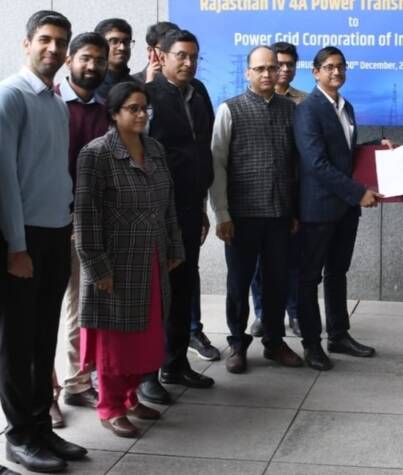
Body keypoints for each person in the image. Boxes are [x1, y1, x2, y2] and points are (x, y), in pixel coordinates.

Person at [0, 10, 88, 473]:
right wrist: (16, 247)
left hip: (56, 233)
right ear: (27, 43)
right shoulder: (10, 97)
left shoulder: (55, 103)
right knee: (16, 344)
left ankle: (40, 428)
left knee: (42, 338)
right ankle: (18, 437)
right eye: (45, 40)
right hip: (23, 238)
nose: (53, 49)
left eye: (60, 42)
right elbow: (4, 181)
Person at [75, 81, 184, 437]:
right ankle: (110, 406)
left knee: (145, 335)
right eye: (132, 109)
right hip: (115, 262)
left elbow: (168, 203)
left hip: (151, 256)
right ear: (114, 113)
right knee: (116, 341)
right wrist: (97, 266)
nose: (140, 115)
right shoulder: (96, 153)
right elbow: (86, 216)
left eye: (144, 108)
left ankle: (131, 396)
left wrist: (174, 246)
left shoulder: (154, 148)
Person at [210, 46, 302, 373]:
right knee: (239, 284)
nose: (267, 74)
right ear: (247, 72)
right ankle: (237, 343)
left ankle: (274, 342)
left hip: (279, 215)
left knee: (277, 282)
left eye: (272, 68)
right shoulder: (230, 109)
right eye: (260, 68)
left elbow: (295, 165)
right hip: (241, 216)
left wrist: (294, 211)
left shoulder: (291, 110)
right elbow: (217, 164)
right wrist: (222, 214)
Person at [294, 46, 383, 371]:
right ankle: (312, 344)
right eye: (330, 67)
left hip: (344, 209)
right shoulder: (308, 109)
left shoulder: (346, 107)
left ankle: (338, 335)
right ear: (315, 72)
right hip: (318, 210)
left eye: (341, 66)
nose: (336, 72)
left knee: (337, 273)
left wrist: (375, 148)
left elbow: (343, 154)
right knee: (309, 278)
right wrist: (358, 193)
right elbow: (316, 163)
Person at [138, 29, 215, 404]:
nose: (188, 63)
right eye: (181, 55)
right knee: (156, 294)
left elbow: (203, 148)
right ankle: (146, 374)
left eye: (194, 56)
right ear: (161, 56)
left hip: (189, 207)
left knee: (183, 288)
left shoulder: (198, 92)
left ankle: (175, 362)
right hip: (157, 211)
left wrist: (201, 207)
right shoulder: (147, 96)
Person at [54, 31, 111, 423]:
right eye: (85, 58)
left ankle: (76, 382)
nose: (92, 66)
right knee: (43, 312)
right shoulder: (53, 103)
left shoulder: (105, 110)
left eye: (99, 60)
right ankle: (45, 392)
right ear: (69, 60)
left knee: (80, 306)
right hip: (48, 220)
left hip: (90, 223)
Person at [249, 41, 307, 339]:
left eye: (288, 65)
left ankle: (295, 313)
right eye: (277, 64)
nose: (282, 70)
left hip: (291, 194)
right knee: (259, 265)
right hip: (257, 199)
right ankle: (261, 313)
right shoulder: (246, 104)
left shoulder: (303, 102)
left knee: (293, 262)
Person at [93, 18, 139, 98]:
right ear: (99, 45)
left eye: (126, 42)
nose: (122, 48)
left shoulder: (138, 87)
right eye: (114, 41)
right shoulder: (89, 86)